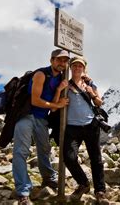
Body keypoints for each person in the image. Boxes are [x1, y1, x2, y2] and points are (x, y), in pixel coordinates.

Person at [13, 49, 70, 205]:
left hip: (42, 119)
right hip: (27, 116)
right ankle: (23, 191)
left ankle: (48, 178)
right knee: (21, 152)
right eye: (59, 60)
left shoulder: (60, 79)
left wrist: (58, 90)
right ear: (52, 60)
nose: (62, 63)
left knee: (44, 149)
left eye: (65, 61)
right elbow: (35, 100)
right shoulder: (41, 74)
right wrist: (57, 104)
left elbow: (52, 109)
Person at [60, 56, 107, 202]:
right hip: (72, 127)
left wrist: (91, 92)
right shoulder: (66, 85)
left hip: (91, 125)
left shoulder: (90, 84)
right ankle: (84, 183)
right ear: (70, 68)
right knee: (69, 157)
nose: (77, 68)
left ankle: (100, 191)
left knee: (96, 159)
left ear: (84, 68)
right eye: (74, 66)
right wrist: (60, 91)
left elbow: (99, 103)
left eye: (80, 66)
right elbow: (57, 102)